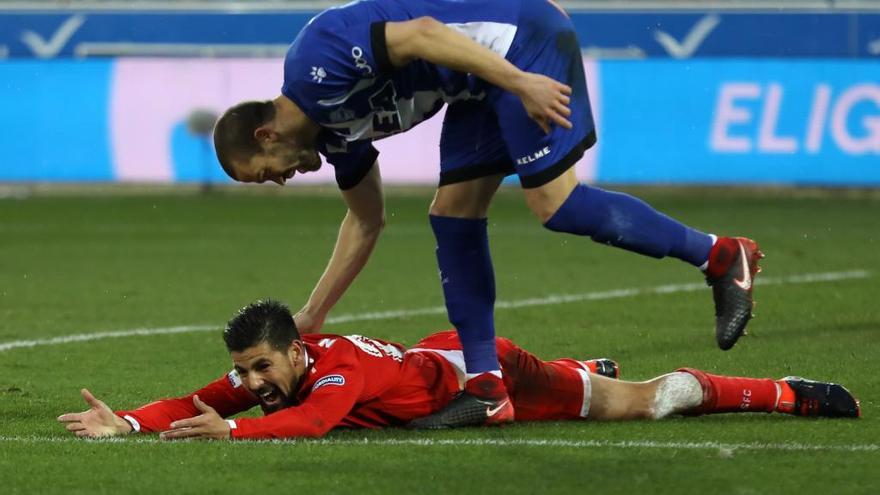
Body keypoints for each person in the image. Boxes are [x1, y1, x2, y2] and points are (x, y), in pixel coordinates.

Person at [211, 0, 764, 429]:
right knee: (452, 214)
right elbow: (366, 219)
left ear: (265, 135)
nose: (277, 181)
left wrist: (519, 81)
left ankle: (720, 254)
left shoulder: (313, 63)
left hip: (517, 45)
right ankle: (487, 389)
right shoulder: (335, 139)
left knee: (557, 203)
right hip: (476, 86)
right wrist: (312, 314)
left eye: (264, 172)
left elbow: (424, 32)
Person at [57, 300, 859, 440]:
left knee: (658, 403)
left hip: (487, 378)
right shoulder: (280, 370)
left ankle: (783, 392)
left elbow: (310, 422)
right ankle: (584, 371)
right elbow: (194, 397)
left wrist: (228, 430)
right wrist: (128, 420)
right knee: (593, 393)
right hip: (443, 371)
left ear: (296, 349)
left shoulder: (332, 374)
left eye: (260, 367)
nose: (251, 382)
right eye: (245, 371)